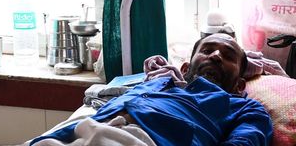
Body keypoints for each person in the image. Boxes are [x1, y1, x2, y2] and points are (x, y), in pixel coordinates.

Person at [29, 33, 273, 145]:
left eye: (228, 56)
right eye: (208, 51)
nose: (217, 56)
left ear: (239, 85)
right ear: (185, 68)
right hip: (85, 131)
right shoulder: (156, 83)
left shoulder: (244, 108)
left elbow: (246, 140)